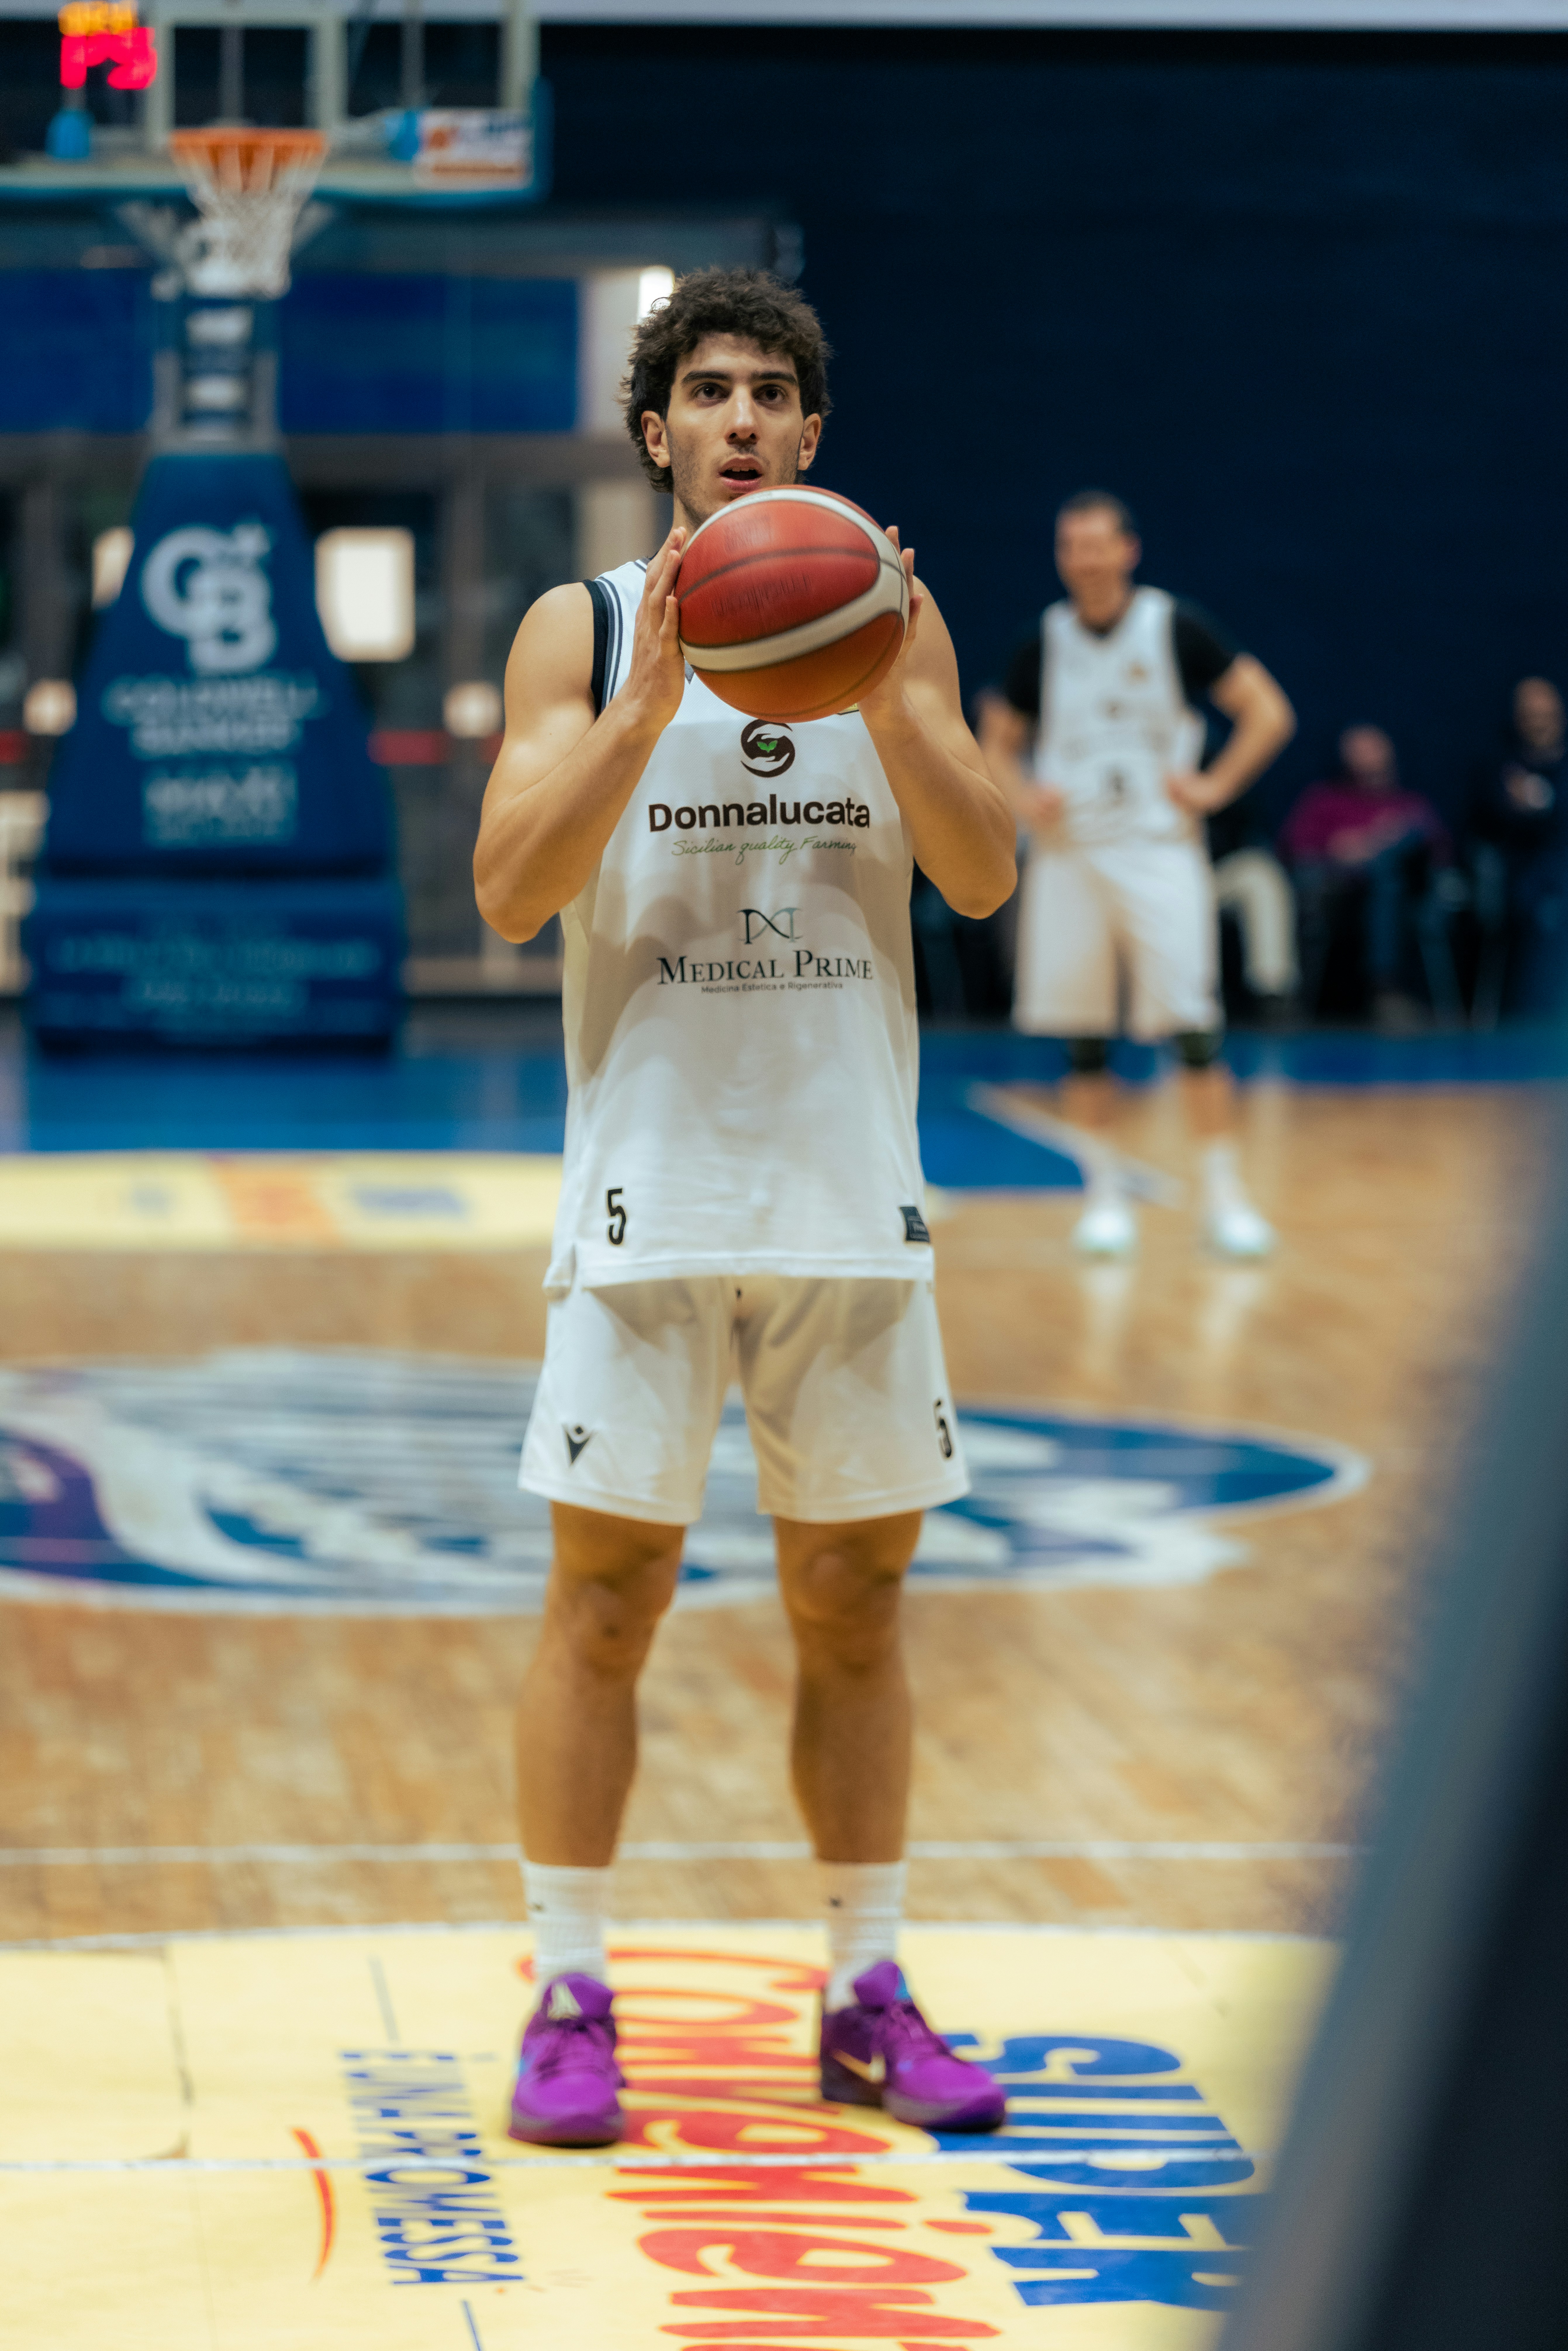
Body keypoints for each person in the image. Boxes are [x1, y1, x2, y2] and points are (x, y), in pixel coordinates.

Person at [473, 269, 1016, 2148]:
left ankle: (866, 1990)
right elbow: (509, 892)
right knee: (603, 1599)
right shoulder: (583, 622)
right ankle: (568, 1991)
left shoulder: (891, 615)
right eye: (703, 389)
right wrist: (645, 709)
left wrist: (894, 676)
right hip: (647, 1195)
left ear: (806, 435)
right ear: (655, 433)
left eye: (768, 394)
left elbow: (976, 875)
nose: (735, 417)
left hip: (847, 1189)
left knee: (853, 1607)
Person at [979, 490, 1296, 1258]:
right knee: (1082, 1035)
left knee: (1192, 1025)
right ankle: (1103, 1198)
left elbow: (1267, 712)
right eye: (1069, 545)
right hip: (1069, 855)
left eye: (1096, 544)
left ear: (1127, 550)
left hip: (1158, 849)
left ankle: (1223, 1198)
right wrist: (1021, 796)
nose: (1083, 558)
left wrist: (1214, 787)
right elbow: (995, 733)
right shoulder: (1041, 642)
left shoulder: (1174, 626)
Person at [1280, 725, 1452, 1029]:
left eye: (1372, 749)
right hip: (1339, 893)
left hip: (1403, 895)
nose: (1365, 758)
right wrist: (1340, 850)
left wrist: (1374, 844)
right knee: (1385, 872)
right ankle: (1385, 990)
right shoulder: (1325, 801)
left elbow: (1438, 853)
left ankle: (1385, 990)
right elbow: (1294, 849)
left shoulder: (1409, 805)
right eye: (1357, 750)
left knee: (1398, 854)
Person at [1466, 677, 1568, 1018]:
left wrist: (1548, 804)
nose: (1539, 720)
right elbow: (1487, 821)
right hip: (1527, 879)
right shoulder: (1501, 768)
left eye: (1545, 712)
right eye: (1529, 713)